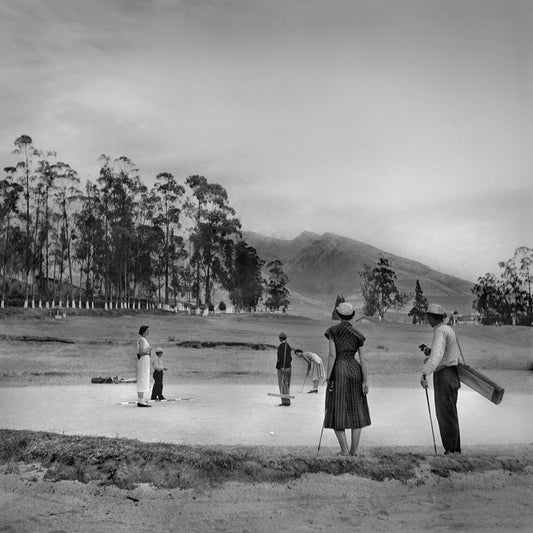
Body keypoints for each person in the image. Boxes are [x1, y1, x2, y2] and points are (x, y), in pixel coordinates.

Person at [324, 302, 370, 456]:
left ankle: (344, 450)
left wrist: (328, 377)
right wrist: (365, 381)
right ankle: (353, 452)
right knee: (357, 411)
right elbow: (363, 360)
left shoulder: (333, 331)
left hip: (339, 371)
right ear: (352, 315)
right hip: (355, 370)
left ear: (338, 315)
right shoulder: (357, 334)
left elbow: (332, 355)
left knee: (337, 409)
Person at [420, 303, 461, 455]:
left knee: (444, 413)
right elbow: (444, 353)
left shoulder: (439, 331)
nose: (427, 320)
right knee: (450, 412)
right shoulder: (448, 329)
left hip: (444, 375)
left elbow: (437, 356)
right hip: (453, 374)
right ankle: (454, 449)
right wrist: (429, 351)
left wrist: (425, 373)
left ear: (432, 317)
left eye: (428, 317)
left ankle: (451, 450)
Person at [136, 325, 152, 407]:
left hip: (144, 362)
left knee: (144, 379)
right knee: (142, 379)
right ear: (144, 331)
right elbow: (141, 352)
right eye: (147, 330)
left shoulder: (143, 340)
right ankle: (141, 401)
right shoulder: (142, 340)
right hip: (143, 361)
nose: (149, 332)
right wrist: (148, 349)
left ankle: (141, 400)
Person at [276, 332, 292, 406]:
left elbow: (281, 357)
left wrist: (282, 367)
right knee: (287, 384)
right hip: (289, 367)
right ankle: (287, 400)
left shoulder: (282, 346)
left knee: (282, 384)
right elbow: (290, 358)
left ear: (280, 338)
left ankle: (285, 401)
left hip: (283, 368)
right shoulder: (288, 346)